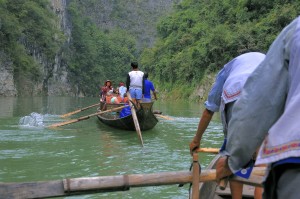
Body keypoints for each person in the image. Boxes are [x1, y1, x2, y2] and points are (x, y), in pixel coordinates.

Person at [215, 16, 300, 199]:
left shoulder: (294, 32)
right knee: (261, 160)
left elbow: (257, 107)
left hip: (295, 157)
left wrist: (232, 160)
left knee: (244, 163)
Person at [189, 52, 266, 199]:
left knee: (235, 158)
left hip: (235, 94)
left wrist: (196, 140)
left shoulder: (228, 69)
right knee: (262, 160)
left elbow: (209, 110)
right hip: (264, 92)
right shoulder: (270, 61)